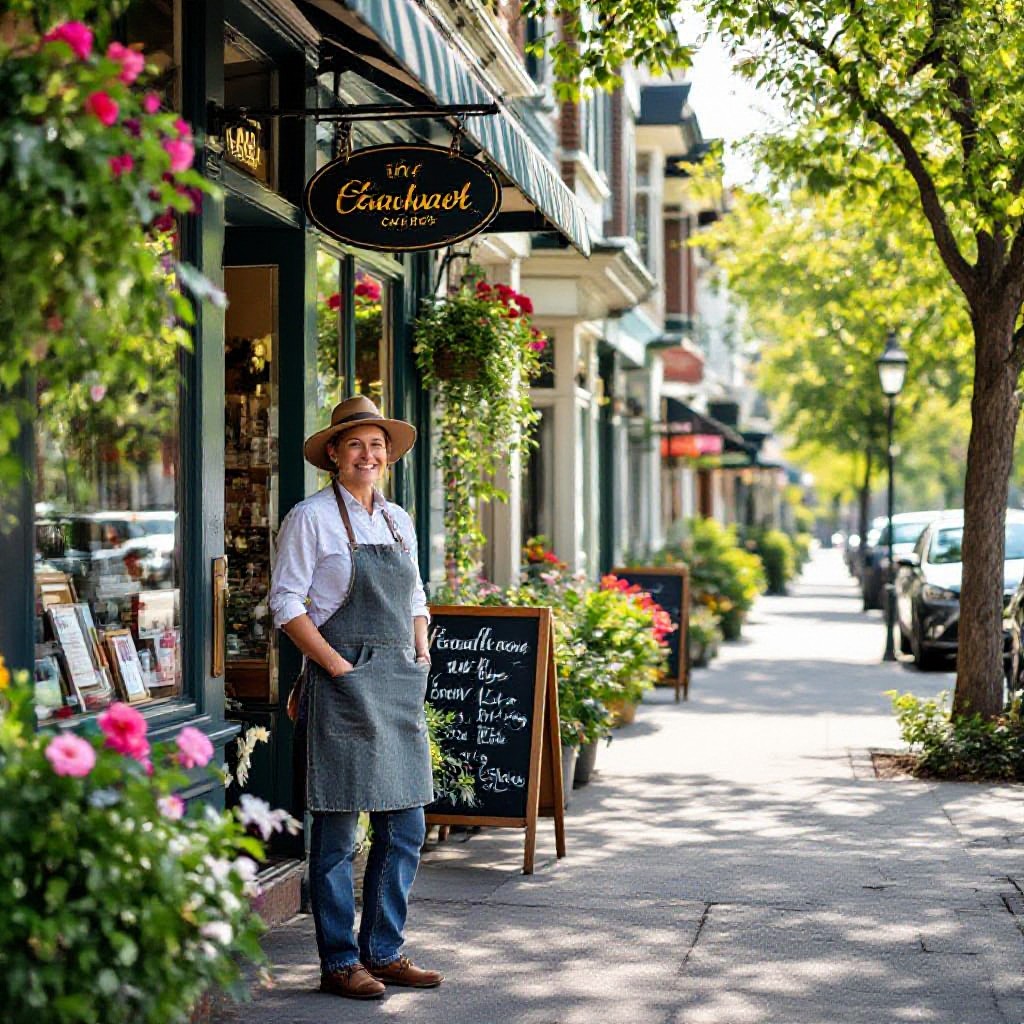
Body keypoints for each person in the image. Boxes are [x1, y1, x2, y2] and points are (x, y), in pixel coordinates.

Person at [269, 395, 442, 1001]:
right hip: (341, 686)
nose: (367, 455)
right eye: (355, 446)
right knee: (339, 833)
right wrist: (338, 666)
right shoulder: (309, 517)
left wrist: (420, 650)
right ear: (335, 457)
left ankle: (385, 951)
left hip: (398, 684)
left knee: (406, 825)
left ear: (387, 455)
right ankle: (340, 961)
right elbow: (286, 604)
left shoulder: (398, 520)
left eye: (376, 446)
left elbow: (416, 594)